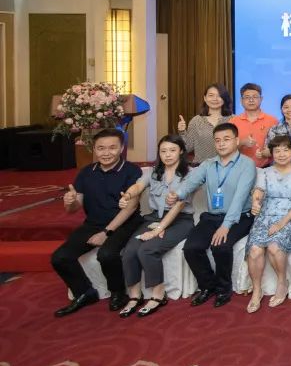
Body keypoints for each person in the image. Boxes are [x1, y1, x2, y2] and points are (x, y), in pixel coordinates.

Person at [52, 128, 143, 317]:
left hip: (124, 223)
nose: (106, 153)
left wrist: (106, 233)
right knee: (60, 257)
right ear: (94, 149)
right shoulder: (86, 172)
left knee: (107, 254)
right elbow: (74, 207)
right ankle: (84, 293)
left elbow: (130, 208)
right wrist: (70, 202)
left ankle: (118, 292)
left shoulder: (132, 171)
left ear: (121, 148)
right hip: (93, 223)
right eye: (101, 148)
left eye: (112, 148)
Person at [172, 122, 256, 308]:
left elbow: (240, 198)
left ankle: (223, 289)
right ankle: (207, 286)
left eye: (226, 139)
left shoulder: (247, 164)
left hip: (240, 216)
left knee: (221, 246)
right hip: (212, 216)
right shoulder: (208, 164)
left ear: (236, 141)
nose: (221, 143)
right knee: (191, 248)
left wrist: (226, 226)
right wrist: (176, 194)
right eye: (217, 140)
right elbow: (190, 183)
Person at [116, 134, 194, 318]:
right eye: (163, 151)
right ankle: (135, 296)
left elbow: (179, 205)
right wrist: (127, 195)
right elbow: (138, 186)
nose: (168, 155)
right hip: (153, 218)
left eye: (172, 150)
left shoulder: (190, 174)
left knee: (147, 250)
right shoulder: (152, 172)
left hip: (180, 220)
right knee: (129, 251)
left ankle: (158, 295)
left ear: (181, 151)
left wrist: (159, 229)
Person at [246, 135, 291, 313]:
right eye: (277, 150)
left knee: (275, 247)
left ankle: (282, 283)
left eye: (285, 150)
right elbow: (259, 190)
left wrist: (281, 224)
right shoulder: (265, 172)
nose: (281, 154)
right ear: (272, 153)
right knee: (255, 249)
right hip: (265, 216)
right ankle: (256, 290)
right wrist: (256, 201)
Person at [177, 83, 233, 164]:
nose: (215, 99)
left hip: (228, 166)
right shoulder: (196, 121)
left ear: (224, 99)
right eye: (211, 95)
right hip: (202, 167)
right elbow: (187, 148)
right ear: (205, 98)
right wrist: (182, 131)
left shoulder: (233, 119)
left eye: (219, 95)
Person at [230, 83, 278, 168]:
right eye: (247, 97)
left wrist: (268, 152)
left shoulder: (272, 120)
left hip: (267, 168)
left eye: (255, 97)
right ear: (241, 100)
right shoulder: (233, 122)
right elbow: (228, 148)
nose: (251, 100)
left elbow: (280, 146)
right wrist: (242, 143)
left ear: (261, 99)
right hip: (239, 169)